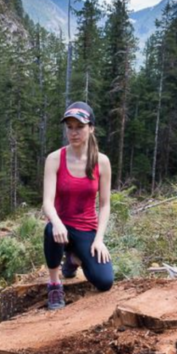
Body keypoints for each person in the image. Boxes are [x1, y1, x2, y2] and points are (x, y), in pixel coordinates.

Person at [42, 101, 114, 310]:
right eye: (69, 127)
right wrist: (56, 222)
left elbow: (105, 204)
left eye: (80, 127)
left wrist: (99, 240)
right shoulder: (55, 159)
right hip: (60, 228)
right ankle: (55, 284)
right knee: (50, 230)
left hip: (86, 228)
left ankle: (73, 258)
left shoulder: (102, 162)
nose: (74, 132)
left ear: (91, 128)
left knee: (104, 281)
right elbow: (47, 202)